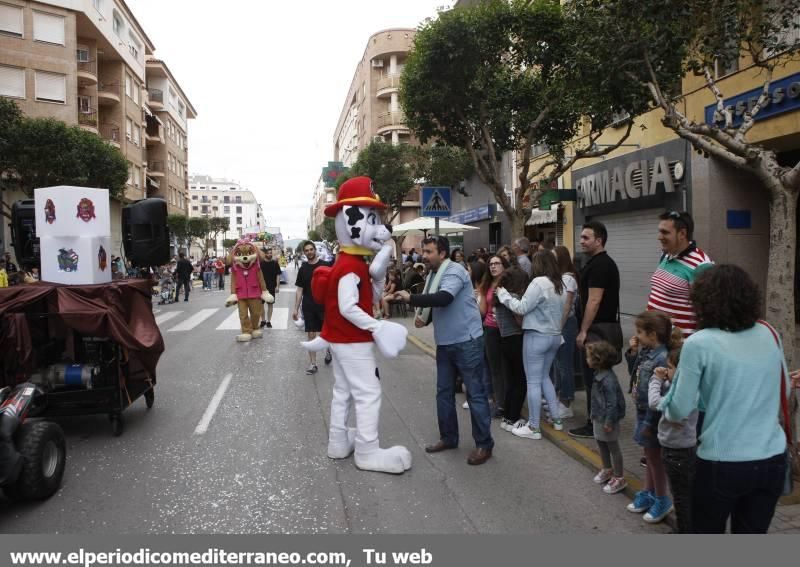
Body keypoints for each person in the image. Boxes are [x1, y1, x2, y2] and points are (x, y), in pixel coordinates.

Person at [659, 265, 788, 534]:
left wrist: (666, 398)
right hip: (772, 459)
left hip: (721, 463)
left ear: (703, 302)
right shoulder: (769, 332)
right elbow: (784, 391)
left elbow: (678, 409)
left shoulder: (699, 342)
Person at [393, 235, 494, 466]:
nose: (424, 256)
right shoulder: (433, 274)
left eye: (429, 252)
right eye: (424, 251)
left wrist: (412, 299)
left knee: (475, 394)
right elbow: (437, 304)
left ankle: (484, 444)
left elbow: (444, 298)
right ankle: (449, 438)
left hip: (467, 341)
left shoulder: (455, 271)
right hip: (447, 342)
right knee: (444, 393)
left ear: (442, 253)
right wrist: (424, 320)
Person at [496, 251, 566, 440]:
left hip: (536, 336)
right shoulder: (559, 284)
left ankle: (534, 427)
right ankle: (557, 420)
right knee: (545, 378)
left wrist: (503, 295)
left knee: (533, 381)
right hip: (554, 336)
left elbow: (522, 307)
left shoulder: (538, 283)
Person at [625, 310, 682, 524]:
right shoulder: (647, 351)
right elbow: (635, 374)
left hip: (652, 415)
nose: (636, 335)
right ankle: (648, 493)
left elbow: (659, 393)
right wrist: (633, 351)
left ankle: (662, 499)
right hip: (642, 410)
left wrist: (649, 422)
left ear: (653, 334)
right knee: (648, 456)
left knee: (655, 459)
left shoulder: (661, 357)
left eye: (640, 332)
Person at [569, 222, 621, 440]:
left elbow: (594, 300)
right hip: (601, 328)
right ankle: (599, 419)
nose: (581, 241)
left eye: (586, 237)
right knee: (598, 378)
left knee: (594, 379)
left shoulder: (600, 265)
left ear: (599, 241)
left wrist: (583, 331)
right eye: (581, 237)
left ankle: (595, 423)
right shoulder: (599, 263)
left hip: (597, 330)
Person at [649, 343, 697, 534]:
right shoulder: (688, 388)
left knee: (680, 497)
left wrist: (655, 379)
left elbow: (655, 403)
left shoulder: (681, 395)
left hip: (676, 451)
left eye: (670, 367)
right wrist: (666, 378)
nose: (666, 370)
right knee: (685, 494)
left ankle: (685, 531)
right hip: (684, 448)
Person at [648, 211, 713, 336]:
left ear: (682, 233)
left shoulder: (701, 265)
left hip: (678, 347)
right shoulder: (665, 255)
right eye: (659, 231)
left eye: (665, 232)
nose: (659, 237)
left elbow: (709, 313)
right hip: (655, 342)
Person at [587, 341, 627, 495]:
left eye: (589, 357)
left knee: (612, 446)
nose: (587, 360)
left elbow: (612, 402)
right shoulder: (598, 374)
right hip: (599, 416)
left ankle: (619, 477)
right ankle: (607, 469)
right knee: (601, 442)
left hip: (607, 418)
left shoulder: (608, 379)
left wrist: (609, 421)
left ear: (598, 360)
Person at [495, 266, 529, 434]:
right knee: (520, 381)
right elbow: (520, 320)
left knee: (512, 381)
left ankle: (507, 417)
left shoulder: (499, 298)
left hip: (504, 341)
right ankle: (514, 418)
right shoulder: (513, 298)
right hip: (516, 339)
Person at [293, 241, 332, 374]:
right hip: (308, 305)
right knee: (311, 334)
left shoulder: (325, 265)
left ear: (315, 250)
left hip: (324, 306)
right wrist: (295, 308)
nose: (309, 252)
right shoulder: (303, 269)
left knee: (325, 333)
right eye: (307, 250)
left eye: (311, 249)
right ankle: (313, 364)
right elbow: (299, 290)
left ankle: (328, 350)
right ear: (304, 253)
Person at [480, 255, 509, 418]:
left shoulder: (508, 283)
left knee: (506, 368)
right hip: (490, 329)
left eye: (497, 263)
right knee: (495, 368)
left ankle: (505, 402)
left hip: (507, 330)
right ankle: (500, 403)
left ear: (504, 266)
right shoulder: (487, 284)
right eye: (490, 264)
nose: (493, 266)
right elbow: (483, 311)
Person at [553, 245, 578, 418]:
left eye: (554, 257)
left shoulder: (568, 279)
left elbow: (567, 305)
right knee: (558, 363)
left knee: (564, 364)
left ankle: (566, 402)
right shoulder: (558, 278)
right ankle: (560, 397)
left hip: (566, 324)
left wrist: (559, 326)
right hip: (558, 324)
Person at [259, 247, 281, 328]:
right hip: (261, 288)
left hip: (272, 287)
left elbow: (278, 275)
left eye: (270, 253)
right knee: (261, 304)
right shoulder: (260, 264)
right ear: (264, 254)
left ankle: (268, 321)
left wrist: (277, 286)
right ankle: (263, 320)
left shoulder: (275, 263)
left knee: (270, 304)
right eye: (267, 253)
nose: (269, 254)